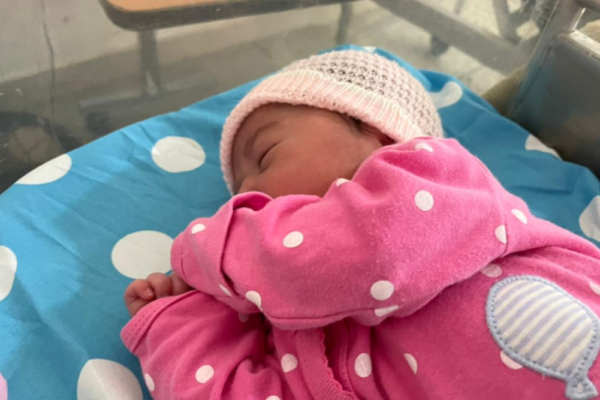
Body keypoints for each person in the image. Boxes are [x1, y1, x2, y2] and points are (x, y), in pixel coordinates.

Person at [122, 50, 600, 400]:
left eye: (264, 155)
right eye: (235, 198)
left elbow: (364, 254)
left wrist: (211, 250)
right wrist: (180, 322)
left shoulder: (438, 180)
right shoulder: (304, 326)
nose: (246, 201)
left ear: (376, 130)